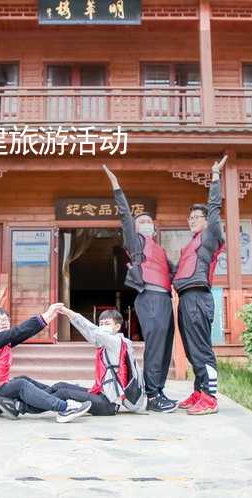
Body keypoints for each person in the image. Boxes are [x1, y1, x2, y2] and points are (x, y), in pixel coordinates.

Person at [102, 165, 176, 413]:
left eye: (148, 221)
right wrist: (116, 186)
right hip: (150, 297)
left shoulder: (160, 249)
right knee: (156, 345)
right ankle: (152, 395)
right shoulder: (136, 243)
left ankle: (159, 390)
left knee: (166, 346)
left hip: (165, 298)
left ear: (154, 227)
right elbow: (124, 215)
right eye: (141, 221)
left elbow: (178, 273)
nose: (145, 223)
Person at [0, 304, 93, 423]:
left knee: (22, 379)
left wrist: (47, 319)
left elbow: (22, 334)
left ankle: (51, 394)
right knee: (20, 384)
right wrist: (45, 315)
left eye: (5, 320)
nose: (4, 322)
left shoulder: (2, 341)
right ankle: (64, 408)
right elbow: (18, 331)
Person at [174, 156, 228, 415]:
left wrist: (215, 177)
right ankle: (198, 391)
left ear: (207, 221)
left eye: (197, 216)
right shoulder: (189, 246)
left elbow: (215, 208)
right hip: (185, 299)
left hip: (198, 297)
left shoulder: (211, 235)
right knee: (190, 348)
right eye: (190, 217)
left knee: (201, 348)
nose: (192, 220)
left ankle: (210, 397)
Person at [33, 307, 147, 417]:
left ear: (117, 327)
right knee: (60, 385)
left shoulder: (116, 342)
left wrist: (69, 312)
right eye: (101, 324)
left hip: (108, 404)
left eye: (107, 324)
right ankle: (33, 397)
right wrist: (70, 316)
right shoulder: (104, 342)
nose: (102, 327)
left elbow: (93, 330)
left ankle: (27, 406)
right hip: (99, 393)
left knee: (63, 393)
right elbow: (88, 332)